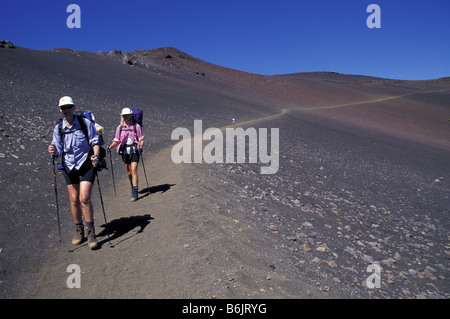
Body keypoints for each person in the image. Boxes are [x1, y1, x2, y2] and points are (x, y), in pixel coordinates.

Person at [48, 96, 101, 249]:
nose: (66, 110)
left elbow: (94, 142)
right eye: (63, 108)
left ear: (73, 107)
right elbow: (57, 151)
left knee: (84, 198)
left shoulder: (85, 123)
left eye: (69, 107)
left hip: (86, 163)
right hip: (69, 165)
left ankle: (91, 232)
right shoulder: (58, 128)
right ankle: (79, 230)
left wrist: (95, 155)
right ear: (60, 109)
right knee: (74, 200)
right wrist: (53, 150)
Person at [108, 108, 145, 202]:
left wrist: (140, 145)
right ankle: (132, 186)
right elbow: (117, 139)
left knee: (133, 170)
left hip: (134, 150)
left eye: (127, 115)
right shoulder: (120, 128)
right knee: (129, 172)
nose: (125, 117)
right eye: (124, 116)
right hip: (124, 151)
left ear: (130, 115)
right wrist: (111, 146)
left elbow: (141, 138)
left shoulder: (136, 126)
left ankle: (135, 192)